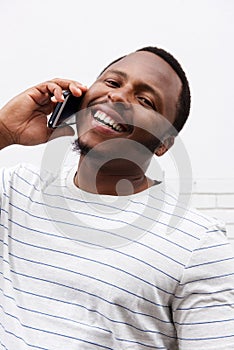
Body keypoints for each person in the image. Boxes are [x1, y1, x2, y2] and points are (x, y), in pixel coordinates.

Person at [0, 46, 233, 350]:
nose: (119, 97)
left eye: (145, 100)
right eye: (112, 83)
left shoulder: (200, 246)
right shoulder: (17, 189)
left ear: (163, 144)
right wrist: (3, 130)